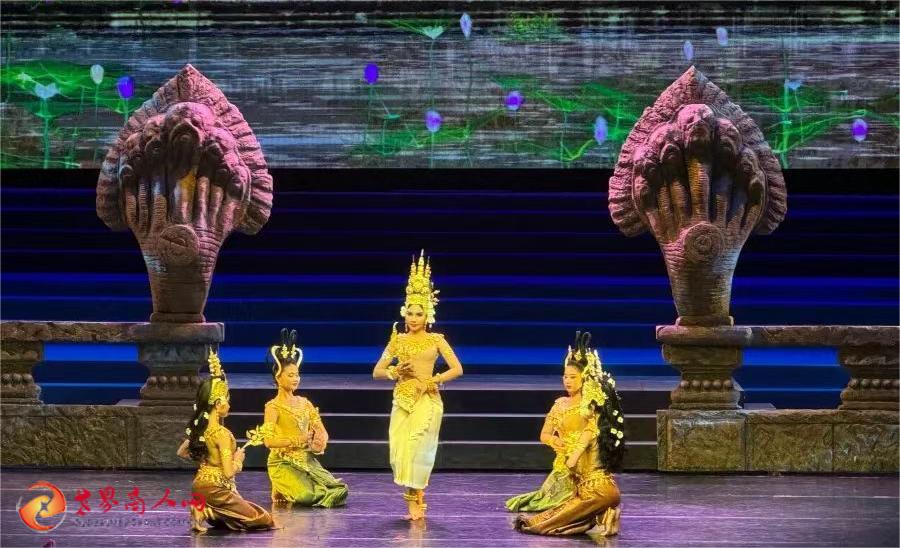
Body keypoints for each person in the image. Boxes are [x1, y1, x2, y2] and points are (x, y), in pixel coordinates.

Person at [372, 250, 463, 520]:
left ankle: (414, 499)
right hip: (402, 399)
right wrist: (394, 371)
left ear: (427, 315)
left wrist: (432, 381)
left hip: (427, 399)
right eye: (410, 312)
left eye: (419, 313)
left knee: (417, 450)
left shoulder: (437, 340)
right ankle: (416, 495)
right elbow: (377, 371)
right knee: (399, 451)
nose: (413, 318)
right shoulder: (397, 341)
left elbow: (457, 368)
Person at [514, 331, 623, 537]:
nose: (567, 381)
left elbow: (588, 440)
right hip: (574, 470)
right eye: (565, 376)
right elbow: (545, 434)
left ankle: (540, 523)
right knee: (572, 516)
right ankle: (606, 515)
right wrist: (555, 441)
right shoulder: (559, 405)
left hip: (592, 480)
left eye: (573, 377)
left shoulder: (591, 411)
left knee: (563, 514)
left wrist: (574, 454)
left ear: (584, 378)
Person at [176, 348, 275, 533]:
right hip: (216, 489)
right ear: (218, 404)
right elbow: (229, 473)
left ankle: (204, 509)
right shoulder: (222, 434)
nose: (229, 404)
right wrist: (238, 460)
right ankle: (206, 511)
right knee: (263, 518)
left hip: (198, 487)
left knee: (232, 520)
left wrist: (205, 461)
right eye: (227, 400)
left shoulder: (201, 429)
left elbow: (181, 452)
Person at [261, 328, 348, 507]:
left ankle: (294, 486)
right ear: (278, 377)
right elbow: (268, 441)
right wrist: (299, 439)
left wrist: (319, 442)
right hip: (282, 461)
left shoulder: (305, 403)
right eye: (290, 375)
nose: (296, 379)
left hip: (306, 459)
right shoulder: (273, 407)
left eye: (297, 374)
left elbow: (322, 432)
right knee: (308, 496)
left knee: (340, 490)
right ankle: (279, 484)